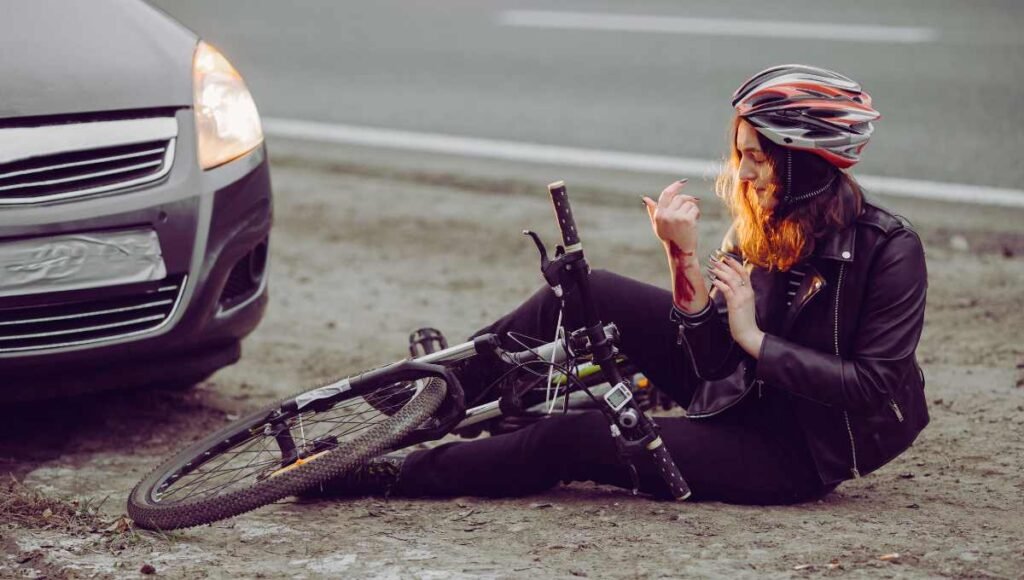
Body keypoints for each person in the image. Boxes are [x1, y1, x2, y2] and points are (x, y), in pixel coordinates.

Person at [309, 64, 929, 505]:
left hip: (786, 449)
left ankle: (390, 473)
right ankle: (430, 399)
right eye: (741, 153)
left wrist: (755, 339)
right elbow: (710, 359)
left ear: (803, 161)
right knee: (593, 288)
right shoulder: (761, 224)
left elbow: (873, 387)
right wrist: (680, 254)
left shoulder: (888, 249)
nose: (743, 172)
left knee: (567, 437)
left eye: (758, 159)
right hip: (735, 387)